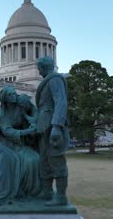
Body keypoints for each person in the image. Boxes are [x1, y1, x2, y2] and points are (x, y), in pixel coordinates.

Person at [0, 86, 41, 206]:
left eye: (14, 93)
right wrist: (27, 132)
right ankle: (1, 195)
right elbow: (8, 132)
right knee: (8, 159)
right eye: (10, 94)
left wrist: (33, 121)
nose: (14, 96)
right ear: (5, 99)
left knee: (33, 159)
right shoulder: (0, 115)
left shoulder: (20, 107)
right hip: (2, 143)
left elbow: (34, 110)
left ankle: (27, 192)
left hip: (19, 142)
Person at [35, 56, 70, 206]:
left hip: (52, 127)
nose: (38, 71)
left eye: (39, 68)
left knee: (56, 160)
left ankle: (61, 196)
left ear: (43, 67)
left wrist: (56, 126)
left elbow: (61, 101)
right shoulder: (48, 80)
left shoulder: (55, 79)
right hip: (44, 126)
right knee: (45, 160)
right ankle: (47, 192)